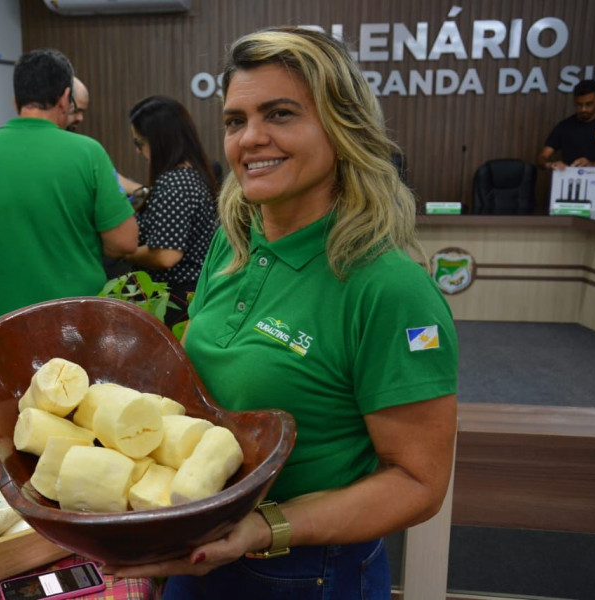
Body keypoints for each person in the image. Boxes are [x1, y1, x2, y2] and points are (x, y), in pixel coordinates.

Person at [107, 27, 458, 599]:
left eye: (280, 114)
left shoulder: (389, 288)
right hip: (201, 546)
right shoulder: (232, 243)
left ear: (342, 127)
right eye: (235, 121)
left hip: (305, 571)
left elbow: (418, 484)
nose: (250, 138)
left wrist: (264, 528)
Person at [0, 48, 138, 331]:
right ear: (65, 98)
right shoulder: (88, 153)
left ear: (15, 100)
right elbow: (124, 242)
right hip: (73, 325)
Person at [122, 96, 219, 326]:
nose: (138, 151)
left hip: (174, 301)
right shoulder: (190, 176)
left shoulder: (175, 183)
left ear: (160, 141)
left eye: (140, 143)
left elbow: (166, 255)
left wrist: (125, 250)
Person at [538, 79, 595, 223]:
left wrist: (593, 164)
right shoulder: (565, 126)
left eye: (588, 104)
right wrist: (550, 165)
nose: (583, 109)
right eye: (579, 104)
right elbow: (542, 157)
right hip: (572, 195)